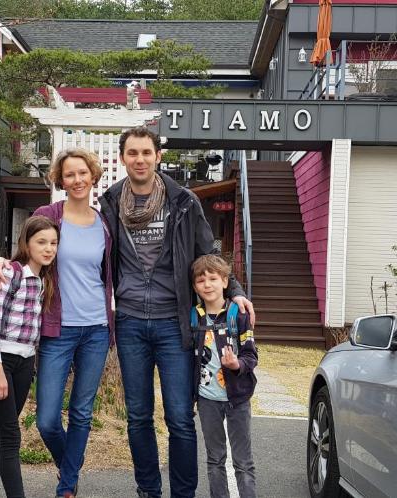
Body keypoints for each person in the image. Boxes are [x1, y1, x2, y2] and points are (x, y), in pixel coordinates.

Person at [98, 127, 254, 498]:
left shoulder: (182, 201)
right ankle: (148, 490)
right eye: (132, 153)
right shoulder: (109, 203)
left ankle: (183, 493)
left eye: (146, 153)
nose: (139, 159)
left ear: (157, 157)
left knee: (180, 418)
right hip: (131, 321)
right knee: (137, 417)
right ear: (123, 158)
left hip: (175, 323)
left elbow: (206, 253)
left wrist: (234, 290)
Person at [0, 148, 114, 498]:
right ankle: (70, 467)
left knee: (82, 413)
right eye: (69, 174)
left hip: (97, 329)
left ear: (93, 176)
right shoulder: (48, 215)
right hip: (57, 329)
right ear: (60, 179)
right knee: (46, 419)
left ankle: (66, 487)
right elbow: (22, 254)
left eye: (82, 173)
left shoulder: (105, 224)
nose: (77, 180)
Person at [0, 216, 59, 498]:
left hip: (25, 363)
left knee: (1, 433)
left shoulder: (42, 279)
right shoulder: (10, 273)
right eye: (41, 242)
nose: (48, 248)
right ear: (26, 243)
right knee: (12, 436)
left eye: (53, 243)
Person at [190, 255, 258, 498]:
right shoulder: (193, 317)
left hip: (237, 398)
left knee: (243, 461)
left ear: (225, 282)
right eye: (200, 280)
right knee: (214, 459)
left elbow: (251, 355)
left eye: (213, 279)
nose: (207, 285)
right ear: (195, 286)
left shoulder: (237, 314)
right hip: (207, 400)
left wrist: (236, 363)